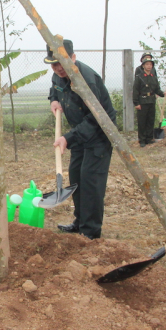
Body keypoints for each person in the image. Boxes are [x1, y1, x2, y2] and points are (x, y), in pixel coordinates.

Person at [46, 39, 116, 240]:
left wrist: (67, 137)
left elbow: (96, 118)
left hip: (99, 134)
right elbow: (54, 89)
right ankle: (80, 221)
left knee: (91, 181)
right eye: (53, 63)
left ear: (73, 58)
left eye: (62, 62)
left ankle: (91, 231)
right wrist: (54, 100)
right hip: (79, 134)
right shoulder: (58, 76)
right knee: (76, 177)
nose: (58, 68)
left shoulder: (86, 80)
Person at [132, 57, 166, 147]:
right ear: (143, 66)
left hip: (151, 101)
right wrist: (136, 103)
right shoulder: (139, 77)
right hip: (142, 101)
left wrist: (163, 94)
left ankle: (149, 138)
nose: (149, 66)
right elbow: (135, 90)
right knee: (142, 121)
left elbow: (156, 89)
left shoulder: (153, 77)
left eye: (150, 64)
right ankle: (142, 140)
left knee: (150, 120)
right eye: (147, 64)